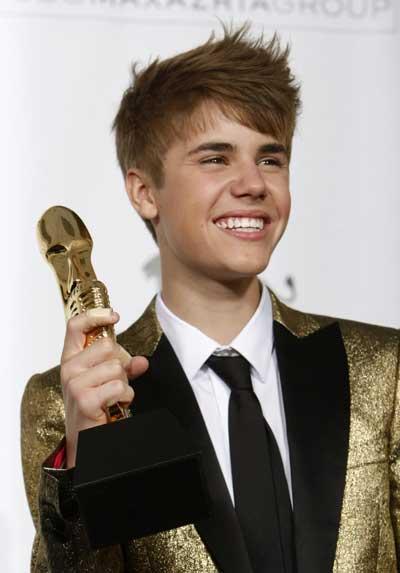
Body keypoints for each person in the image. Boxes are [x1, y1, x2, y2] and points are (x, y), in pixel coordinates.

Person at [21, 25, 400, 573]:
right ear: (144, 191)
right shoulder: (75, 401)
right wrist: (86, 465)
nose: (253, 183)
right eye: (215, 159)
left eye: (271, 159)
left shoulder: (382, 373)